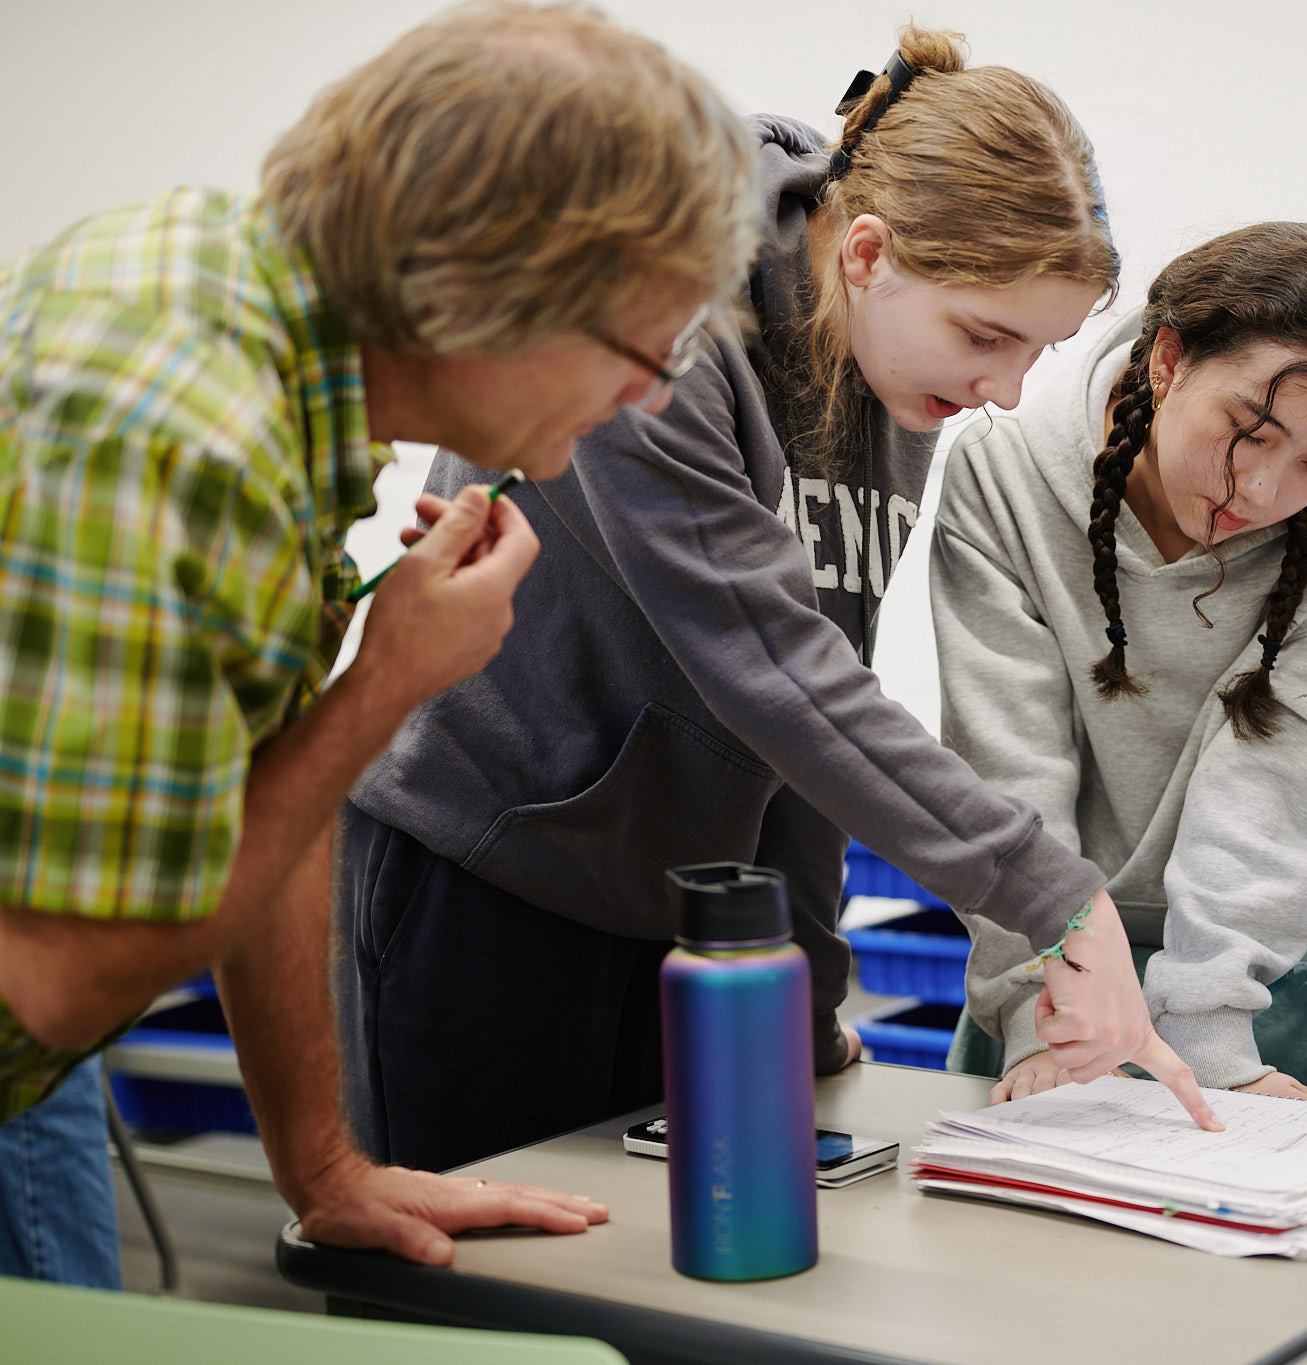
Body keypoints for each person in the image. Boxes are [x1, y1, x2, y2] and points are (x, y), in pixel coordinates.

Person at [338, 24, 1219, 1179]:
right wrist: (1055, 895)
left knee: (653, 1295)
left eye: (1037, 353)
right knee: (479, 1312)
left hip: (679, 922)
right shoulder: (664, 323)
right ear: (865, 252)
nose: (1002, 391)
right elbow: (767, 667)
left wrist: (802, 1000)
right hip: (492, 876)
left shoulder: (897, 381)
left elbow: (807, 709)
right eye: (985, 336)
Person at [0, 1, 760, 1281]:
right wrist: (387, 682)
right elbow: (64, 981)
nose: (654, 397)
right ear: (493, 285)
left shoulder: (278, 336)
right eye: (643, 347)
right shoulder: (181, 430)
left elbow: (256, 796)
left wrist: (326, 1169)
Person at [929, 223, 1307, 1105]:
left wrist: (1209, 1026)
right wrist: (1036, 1009)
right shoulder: (1005, 475)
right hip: (1063, 971)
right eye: (1249, 430)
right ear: (1167, 359)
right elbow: (1005, 761)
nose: (1262, 490)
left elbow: (1284, 786)